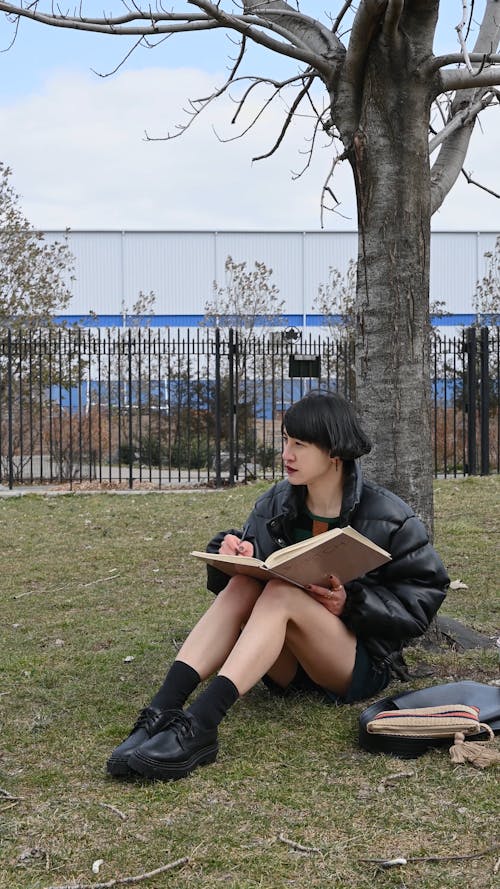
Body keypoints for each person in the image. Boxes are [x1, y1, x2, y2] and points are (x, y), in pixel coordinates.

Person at [106, 390, 449, 782]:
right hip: (282, 664)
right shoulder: (275, 504)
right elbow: (251, 576)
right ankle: (162, 710)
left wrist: (351, 603)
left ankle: (201, 724)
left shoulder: (387, 514)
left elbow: (425, 595)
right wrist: (232, 553)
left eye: (299, 444)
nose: (287, 453)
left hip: (355, 662)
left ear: (333, 452)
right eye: (285, 440)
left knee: (282, 594)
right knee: (243, 587)